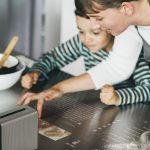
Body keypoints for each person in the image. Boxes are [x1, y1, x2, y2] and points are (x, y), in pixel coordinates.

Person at [18, 9, 150, 118]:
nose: (86, 39)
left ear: (111, 28)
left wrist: (118, 97)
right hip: (97, 108)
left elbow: (148, 89)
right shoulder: (83, 43)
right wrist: (36, 71)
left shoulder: (134, 53)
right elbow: (52, 57)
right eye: (81, 31)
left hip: (126, 114)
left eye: (96, 32)